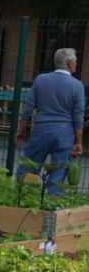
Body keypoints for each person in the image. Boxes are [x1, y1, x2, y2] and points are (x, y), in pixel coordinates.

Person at [15, 48, 85, 196]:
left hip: (41, 129)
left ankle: (23, 197)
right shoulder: (77, 86)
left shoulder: (41, 79)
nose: (76, 65)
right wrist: (78, 141)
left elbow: (28, 108)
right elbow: (78, 116)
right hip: (64, 132)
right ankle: (50, 204)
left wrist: (21, 130)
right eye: (76, 62)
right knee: (58, 171)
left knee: (29, 166)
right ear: (70, 63)